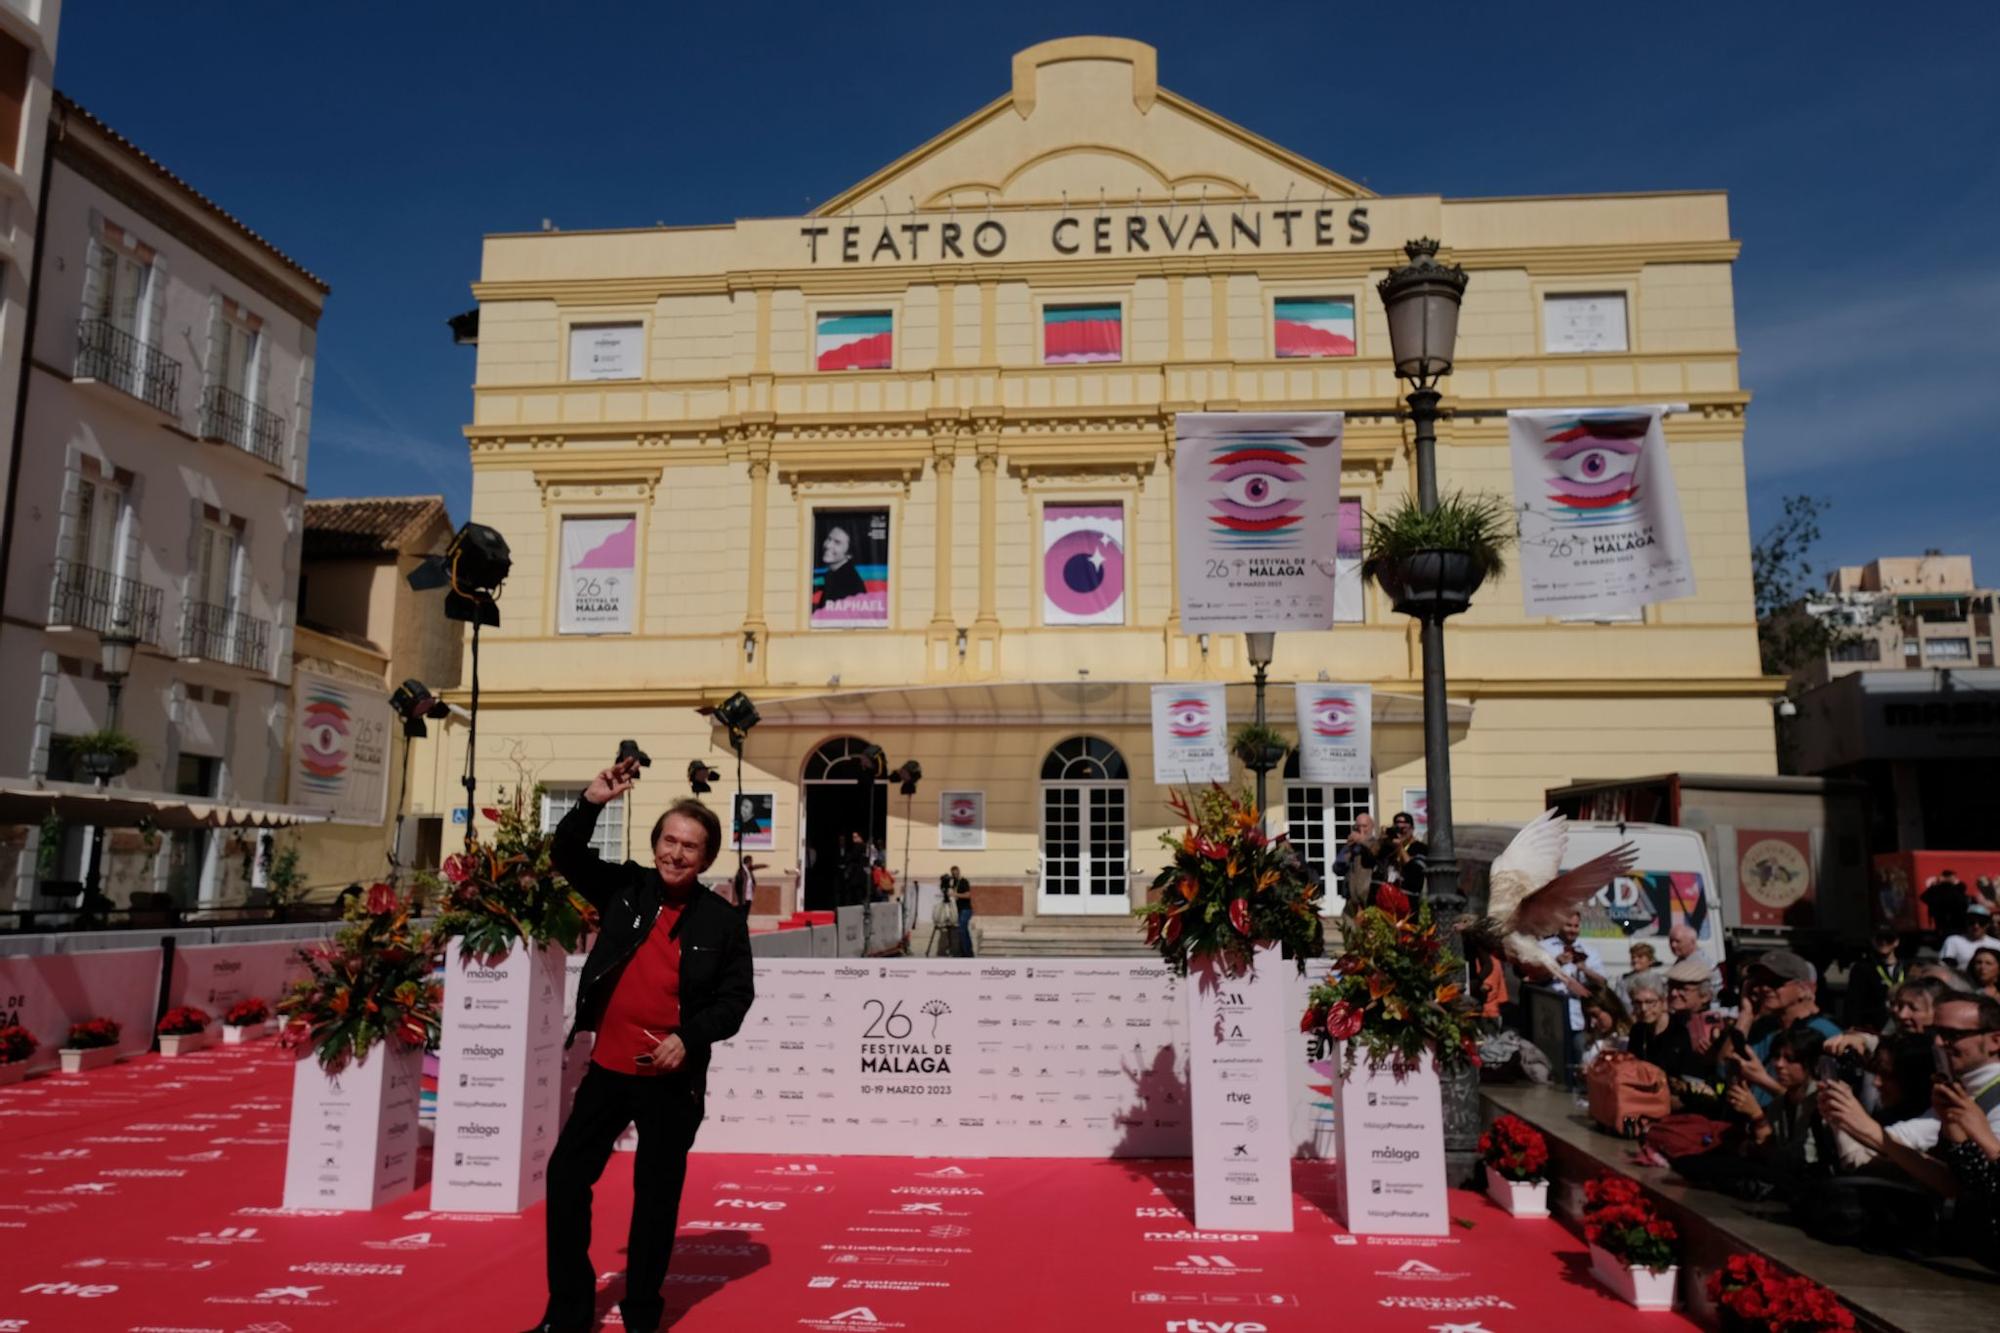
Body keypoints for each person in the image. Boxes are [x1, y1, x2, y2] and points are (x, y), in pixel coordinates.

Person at [525, 757, 755, 1333]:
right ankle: (570, 1312)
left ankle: (642, 1316)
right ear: (656, 844)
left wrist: (690, 1036)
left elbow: (735, 1000)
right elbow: (566, 856)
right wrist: (591, 802)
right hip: (609, 1069)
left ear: (706, 858)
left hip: (673, 1079)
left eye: (691, 847)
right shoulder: (625, 887)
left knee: (655, 1199)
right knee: (567, 1178)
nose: (677, 854)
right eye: (670, 841)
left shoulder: (722, 922)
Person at [1818, 994, 2000, 1201]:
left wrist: (1863, 1126)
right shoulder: (1956, 1085)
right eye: (1935, 1032)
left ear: (1995, 1041)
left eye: (1952, 1034)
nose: (1939, 1043)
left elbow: (1975, 1186)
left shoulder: (1993, 1100)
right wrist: (1863, 1040)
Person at [1722, 951, 1842, 1111]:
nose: (1765, 988)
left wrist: (1763, 1080)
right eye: (1760, 981)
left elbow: (1818, 1105)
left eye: (1775, 982)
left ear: (1802, 988)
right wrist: (1746, 1014)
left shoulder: (1825, 1034)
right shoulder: (1763, 1028)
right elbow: (1723, 1067)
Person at [1540, 909, 1607, 1086]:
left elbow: (1602, 981)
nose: (1572, 929)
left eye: (1576, 926)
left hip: (1579, 1019)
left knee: (1579, 1060)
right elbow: (1530, 976)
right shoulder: (1545, 947)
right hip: (1550, 1019)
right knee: (1553, 1066)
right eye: (1568, 925)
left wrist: (1584, 969)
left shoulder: (1589, 951)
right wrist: (1556, 964)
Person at [1843, 928, 1906, 1032]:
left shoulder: (1906, 967)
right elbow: (1853, 1001)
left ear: (1896, 942)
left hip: (1901, 1023)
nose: (1883, 942)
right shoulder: (1862, 968)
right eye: (1879, 939)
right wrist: (1852, 1026)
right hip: (1873, 1027)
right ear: (1873, 941)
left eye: (1888, 939)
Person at [812, 523, 868, 611]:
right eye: (829, 539)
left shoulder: (850, 583)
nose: (828, 545)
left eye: (837, 542)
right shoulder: (833, 574)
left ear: (849, 554)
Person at [1331, 812, 1378, 913]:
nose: (1361, 830)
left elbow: (1374, 857)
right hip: (1351, 901)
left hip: (1370, 900)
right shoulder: (1352, 846)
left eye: (1364, 826)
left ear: (1372, 826)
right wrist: (1348, 849)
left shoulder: (1377, 844)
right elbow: (1337, 869)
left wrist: (1362, 842)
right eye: (1358, 826)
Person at [1578, 986, 1631, 1075]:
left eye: (1596, 1015)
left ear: (1611, 1009)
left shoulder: (1626, 1040)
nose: (1592, 1022)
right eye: (1588, 1016)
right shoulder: (1593, 1037)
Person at [1376, 811, 1428, 899]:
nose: (1400, 832)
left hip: (1409, 899)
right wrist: (1381, 841)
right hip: (1387, 898)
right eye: (1397, 829)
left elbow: (1416, 871)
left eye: (1403, 829)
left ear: (1412, 829)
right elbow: (1373, 861)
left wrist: (1400, 848)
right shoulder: (1389, 848)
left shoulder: (1420, 847)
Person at [1942, 902, 1998, 972]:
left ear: (1988, 924)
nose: (1976, 926)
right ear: (1966, 922)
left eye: (1981, 922)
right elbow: (1944, 968)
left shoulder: (1997, 945)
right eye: (1972, 922)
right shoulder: (1953, 941)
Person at [1667, 921, 1722, 993]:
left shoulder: (1698, 962)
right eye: (1671, 941)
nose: (1673, 945)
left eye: (1678, 941)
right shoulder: (1684, 958)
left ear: (1692, 942)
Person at [1923, 868, 1971, 943]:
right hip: (1944, 920)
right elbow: (1925, 897)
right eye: (1952, 877)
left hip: (1957, 919)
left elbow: (1963, 892)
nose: (1954, 878)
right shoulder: (1938, 889)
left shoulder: (1957, 887)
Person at [940, 864, 974, 958]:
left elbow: (968, 895)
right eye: (953, 873)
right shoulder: (952, 883)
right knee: (964, 931)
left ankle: (966, 954)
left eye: (956, 872)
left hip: (966, 910)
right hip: (957, 910)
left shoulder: (964, 881)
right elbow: (947, 891)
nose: (955, 874)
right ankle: (968, 952)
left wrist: (956, 894)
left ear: (959, 872)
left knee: (962, 930)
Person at [1617, 941, 1662, 1009]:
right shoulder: (1622, 979)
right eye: (1633, 957)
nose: (1635, 960)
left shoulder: (1656, 979)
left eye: (1640, 957)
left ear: (1650, 961)